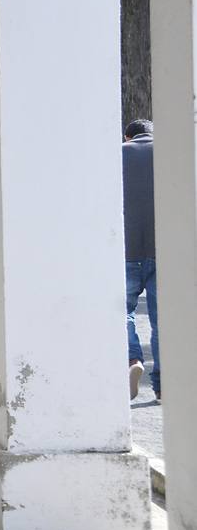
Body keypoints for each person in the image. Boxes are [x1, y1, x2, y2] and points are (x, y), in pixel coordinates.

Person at [123, 119, 160, 401]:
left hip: (125, 250)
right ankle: (163, 385)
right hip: (164, 251)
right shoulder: (169, 155)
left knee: (123, 313)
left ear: (128, 136)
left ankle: (132, 361)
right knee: (164, 321)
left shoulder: (118, 154)